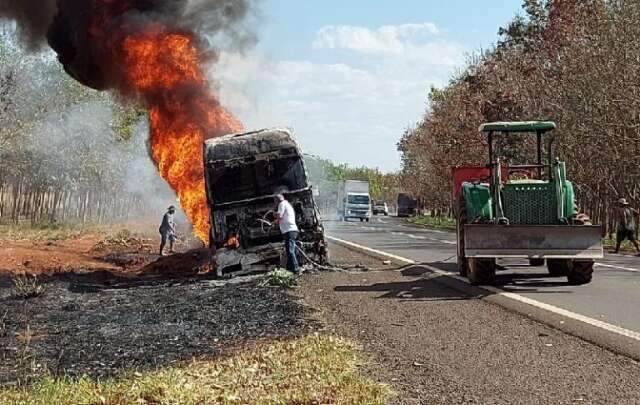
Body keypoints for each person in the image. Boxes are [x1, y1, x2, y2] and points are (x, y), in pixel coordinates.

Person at [274, 193, 300, 274]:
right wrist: (275, 222)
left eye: (274, 200)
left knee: (290, 250)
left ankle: (296, 269)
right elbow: (282, 217)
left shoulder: (281, 204)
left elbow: (279, 215)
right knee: (289, 250)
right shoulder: (287, 204)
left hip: (289, 230)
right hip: (291, 230)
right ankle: (289, 269)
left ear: (276, 200)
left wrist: (273, 214)